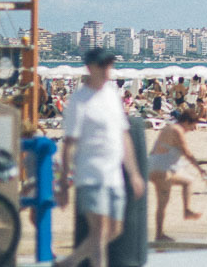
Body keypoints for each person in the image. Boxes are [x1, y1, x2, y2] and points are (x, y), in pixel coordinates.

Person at [56, 48, 146, 267]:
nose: (108, 70)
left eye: (110, 65)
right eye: (103, 65)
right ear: (91, 68)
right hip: (90, 173)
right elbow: (69, 143)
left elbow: (123, 136)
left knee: (115, 229)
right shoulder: (79, 100)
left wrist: (133, 173)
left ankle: (70, 262)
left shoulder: (111, 95)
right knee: (99, 230)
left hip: (113, 174)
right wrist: (64, 182)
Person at [148, 109, 204, 242]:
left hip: (155, 166)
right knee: (162, 203)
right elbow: (187, 152)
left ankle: (187, 210)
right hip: (162, 170)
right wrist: (200, 169)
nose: (192, 129)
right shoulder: (177, 130)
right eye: (192, 126)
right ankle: (159, 234)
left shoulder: (169, 128)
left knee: (188, 181)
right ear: (185, 122)